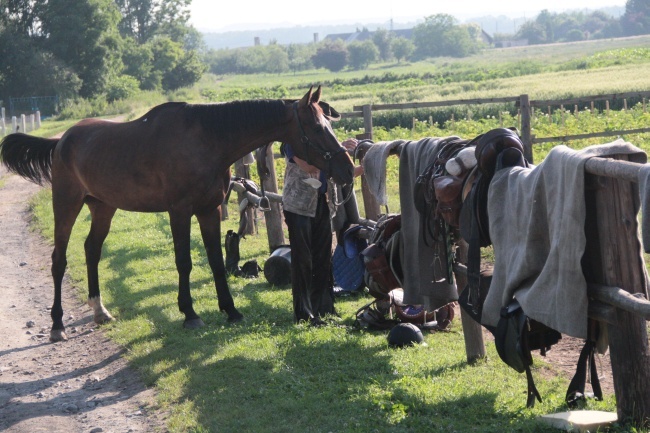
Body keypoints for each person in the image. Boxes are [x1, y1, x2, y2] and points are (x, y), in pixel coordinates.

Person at [282, 138, 363, 326]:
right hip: (298, 206)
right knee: (303, 259)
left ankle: (324, 307)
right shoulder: (292, 143)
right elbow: (308, 167)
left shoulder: (326, 147)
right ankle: (303, 311)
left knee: (323, 258)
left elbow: (343, 174)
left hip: (322, 205)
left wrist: (364, 164)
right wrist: (340, 151)